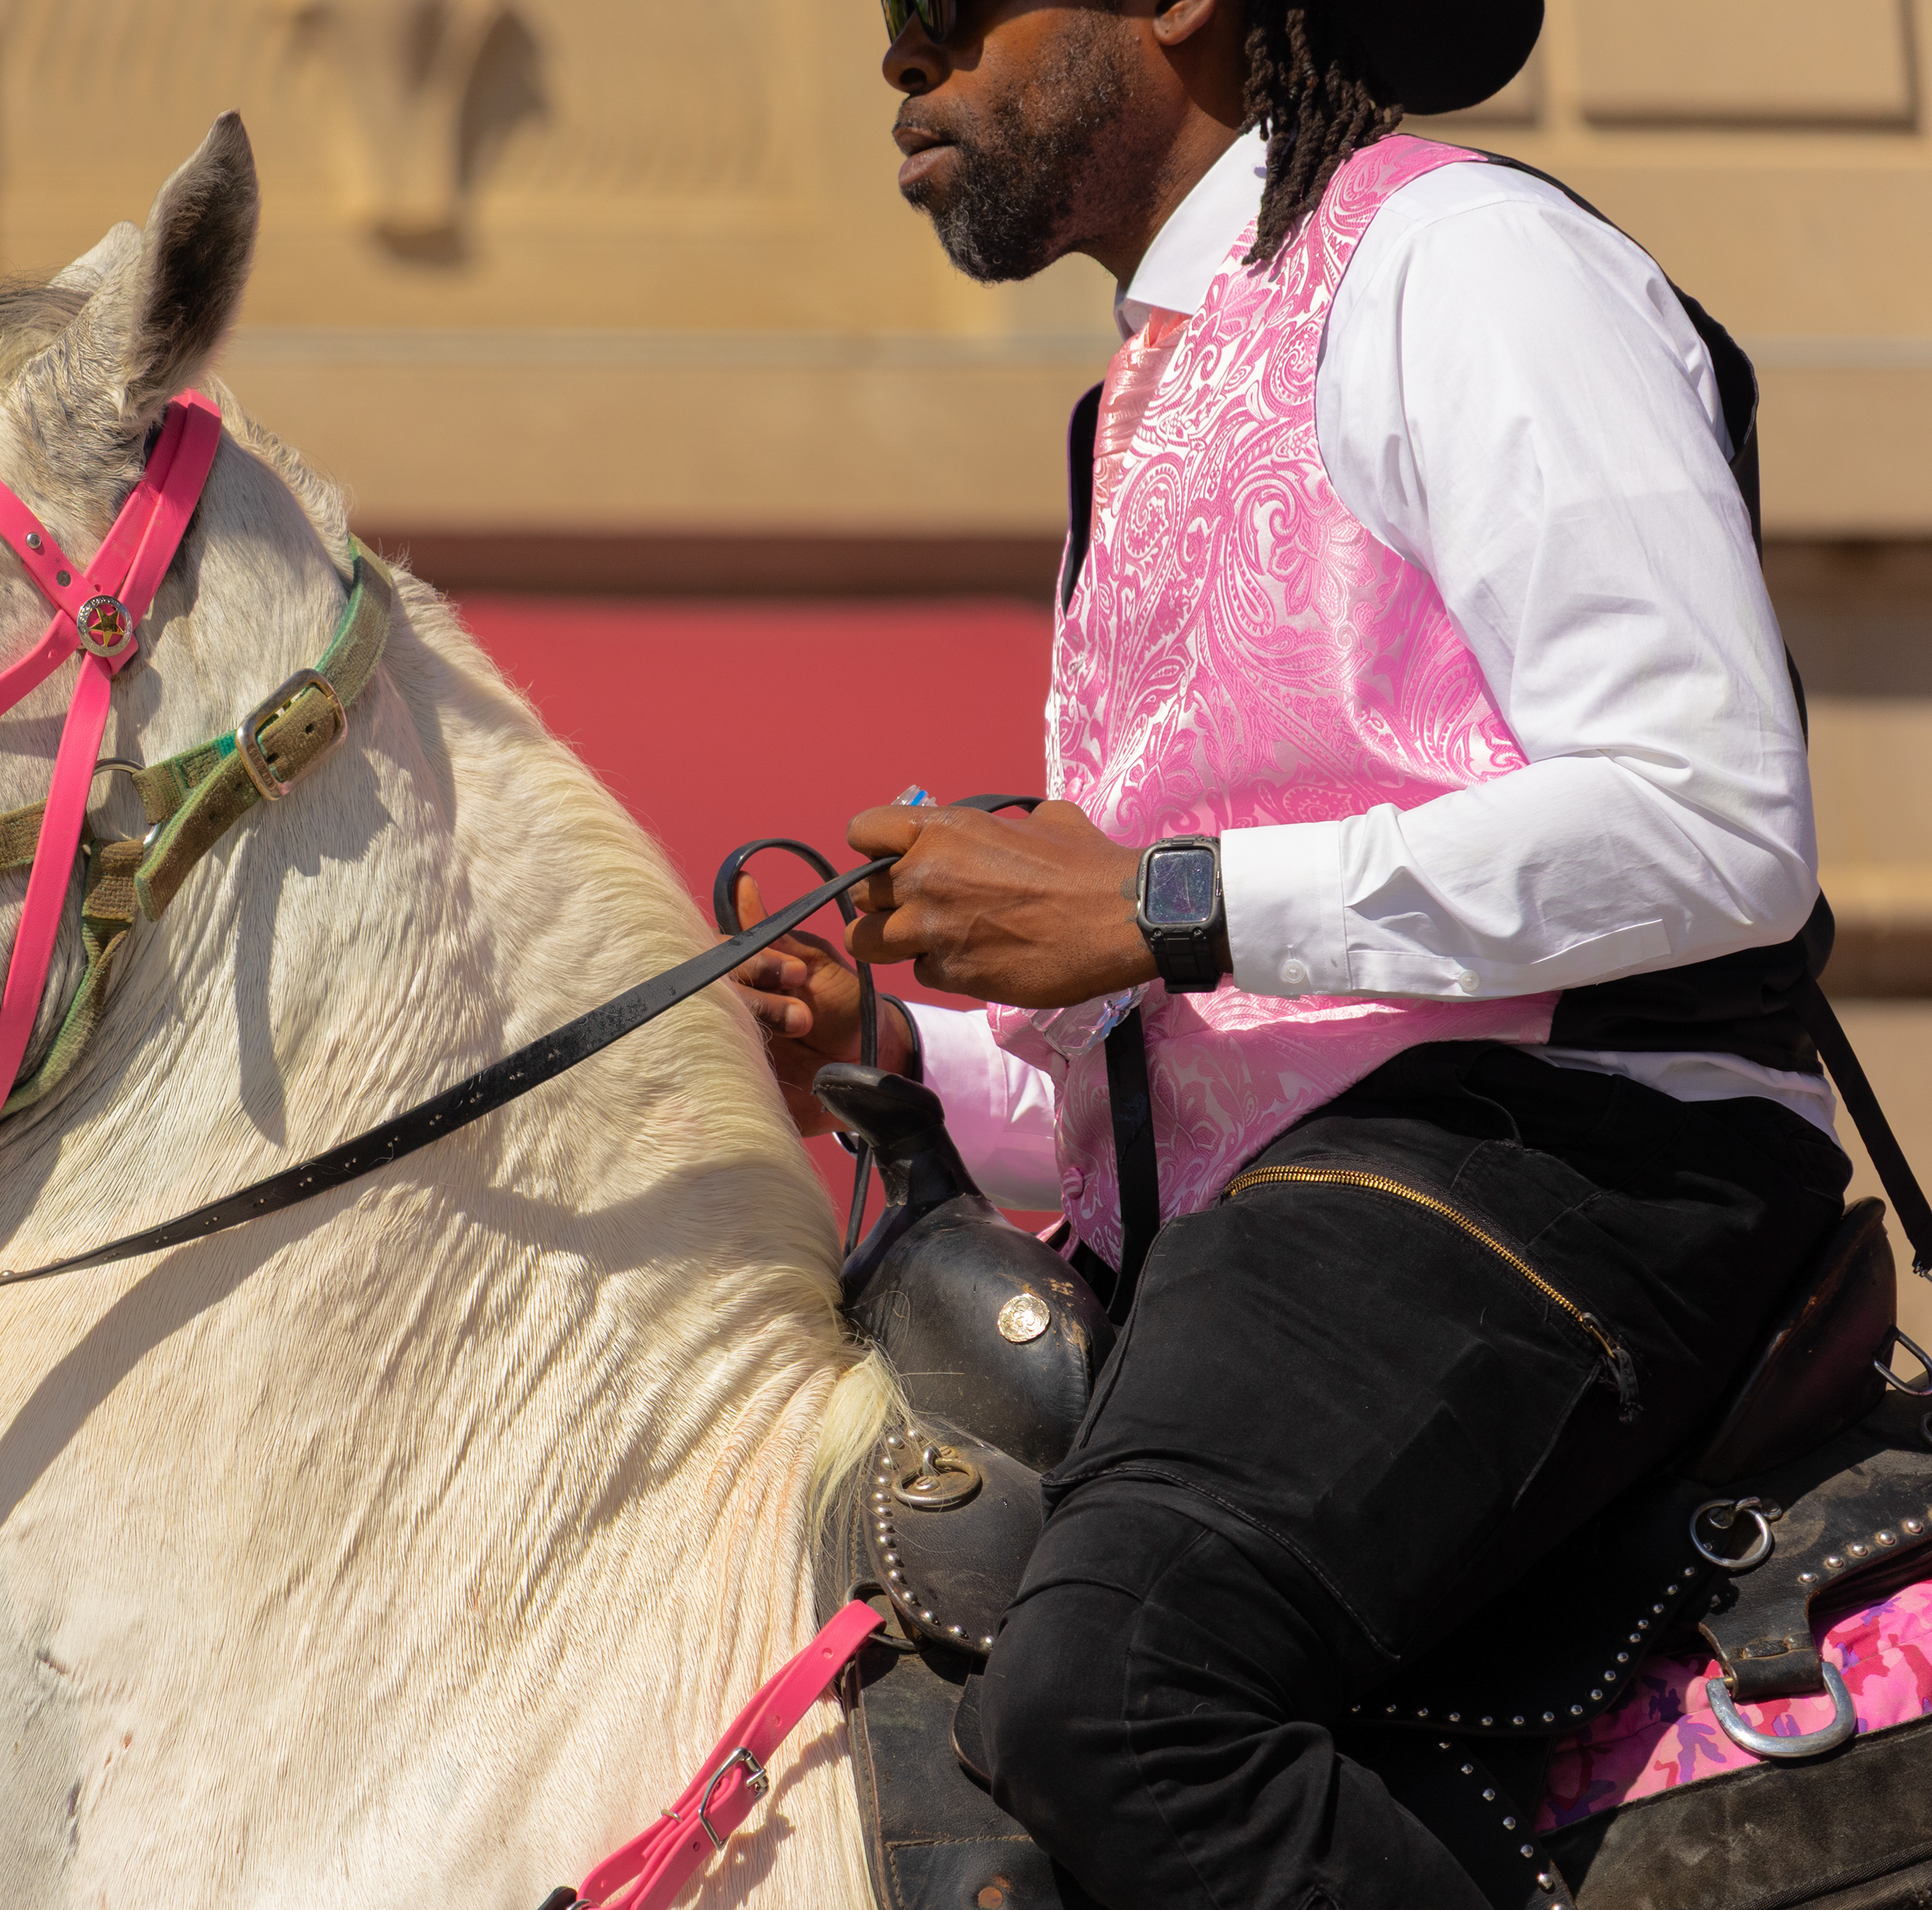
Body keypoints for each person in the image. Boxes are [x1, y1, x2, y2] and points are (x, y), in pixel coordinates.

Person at [731, 2, 1854, 1903]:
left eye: (945, 11)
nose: (901, 62)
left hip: (1574, 1156)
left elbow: (1713, 815)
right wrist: (904, 1060)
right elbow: (1225, 1032)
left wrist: (1156, 900)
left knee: (1120, 1696)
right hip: (1299, 1214)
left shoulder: (1464, 259)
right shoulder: (1140, 388)